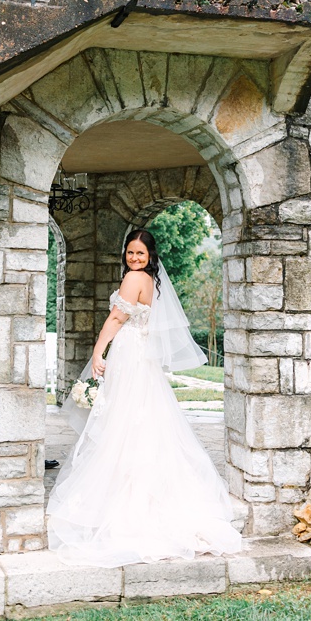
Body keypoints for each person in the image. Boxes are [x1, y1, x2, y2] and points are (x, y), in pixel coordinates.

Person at [46, 228, 242, 566]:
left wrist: (97, 351)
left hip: (129, 355)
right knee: (141, 420)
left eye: (140, 253)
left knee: (123, 422)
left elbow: (116, 317)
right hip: (140, 358)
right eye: (130, 253)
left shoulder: (134, 278)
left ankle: (127, 501)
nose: (134, 259)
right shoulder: (151, 281)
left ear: (150, 256)